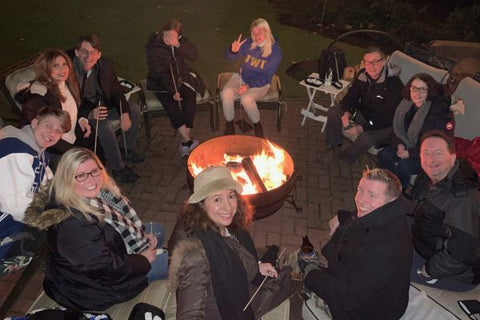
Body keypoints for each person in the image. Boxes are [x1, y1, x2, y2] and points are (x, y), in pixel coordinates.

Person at [24, 148, 167, 310]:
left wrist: (141, 235)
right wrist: (143, 259)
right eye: (81, 175)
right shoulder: (74, 225)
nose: (91, 180)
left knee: (157, 229)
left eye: (94, 171)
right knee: (169, 260)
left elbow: (120, 222)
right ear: (66, 179)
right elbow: (104, 267)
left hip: (105, 253)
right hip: (95, 289)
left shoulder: (96, 194)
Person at [168, 166, 291, 320]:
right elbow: (189, 313)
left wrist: (257, 265)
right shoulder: (195, 254)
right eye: (217, 199)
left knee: (273, 262)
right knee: (288, 278)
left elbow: (233, 252)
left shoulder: (222, 226)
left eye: (231, 196)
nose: (228, 207)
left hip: (237, 287)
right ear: (201, 204)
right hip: (227, 309)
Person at [298, 168, 413, 319]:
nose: (361, 200)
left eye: (372, 195)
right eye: (360, 190)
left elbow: (346, 296)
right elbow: (364, 216)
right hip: (363, 289)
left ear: (390, 201)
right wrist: (342, 216)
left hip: (369, 312)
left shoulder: (383, 248)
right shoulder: (389, 215)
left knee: (304, 267)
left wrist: (310, 272)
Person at [0, 107, 70, 274]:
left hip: (16, 219)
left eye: (58, 131)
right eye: (48, 125)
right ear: (34, 123)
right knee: (65, 226)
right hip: (6, 226)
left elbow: (49, 186)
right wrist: (53, 219)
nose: (52, 133)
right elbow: (16, 206)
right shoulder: (15, 150)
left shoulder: (37, 153)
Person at [410, 130, 480, 291]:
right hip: (427, 240)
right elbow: (416, 205)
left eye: (438, 153)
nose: (430, 159)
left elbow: (463, 253)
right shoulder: (428, 178)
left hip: (457, 272)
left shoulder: (462, 199)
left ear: (453, 157)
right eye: (425, 153)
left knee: (391, 270)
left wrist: (431, 269)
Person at [69, 34, 144, 183]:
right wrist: (90, 113)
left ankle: (125, 149)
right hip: (82, 114)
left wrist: (124, 112)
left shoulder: (104, 65)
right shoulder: (70, 72)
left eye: (93, 52)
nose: (88, 56)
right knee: (104, 126)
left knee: (133, 109)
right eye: (84, 51)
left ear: (99, 54)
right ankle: (119, 169)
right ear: (77, 52)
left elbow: (116, 89)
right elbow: (71, 103)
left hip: (103, 106)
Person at [15, 49, 100, 168]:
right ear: (46, 70)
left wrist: (82, 119)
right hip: (50, 147)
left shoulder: (68, 84)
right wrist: (73, 151)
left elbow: (78, 106)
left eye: (64, 64)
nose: (62, 69)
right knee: (81, 165)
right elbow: (44, 134)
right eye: (55, 66)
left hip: (71, 136)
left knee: (96, 148)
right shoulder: (40, 96)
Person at [325, 47, 404, 164]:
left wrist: (363, 127)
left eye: (374, 62)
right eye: (367, 63)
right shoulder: (363, 75)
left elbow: (388, 117)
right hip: (364, 113)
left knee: (367, 137)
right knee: (334, 111)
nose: (370, 67)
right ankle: (333, 147)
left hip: (384, 125)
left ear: (383, 61)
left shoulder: (394, 85)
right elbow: (351, 97)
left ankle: (346, 158)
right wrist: (347, 112)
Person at [378, 73, 454, 189]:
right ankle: (389, 185)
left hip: (427, 154)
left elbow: (438, 143)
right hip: (407, 146)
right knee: (384, 155)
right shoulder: (406, 104)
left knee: (404, 166)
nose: (417, 93)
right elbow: (398, 129)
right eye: (414, 88)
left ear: (430, 91)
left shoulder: (437, 112)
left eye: (422, 89)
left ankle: (400, 192)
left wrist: (411, 153)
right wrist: (399, 144)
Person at [145, 19, 206, 158]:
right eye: (165, 35)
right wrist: (173, 91)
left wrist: (178, 44)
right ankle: (189, 142)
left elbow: (194, 56)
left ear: (178, 35)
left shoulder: (179, 41)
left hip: (179, 77)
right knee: (172, 105)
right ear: (162, 32)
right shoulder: (154, 46)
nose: (167, 39)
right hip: (160, 82)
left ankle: (186, 144)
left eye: (172, 36)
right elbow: (158, 71)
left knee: (190, 97)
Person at [221, 18, 282, 138]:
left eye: (260, 32)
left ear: (267, 32)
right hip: (241, 77)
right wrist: (233, 51)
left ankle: (257, 124)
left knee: (246, 99)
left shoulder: (275, 52)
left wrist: (248, 86)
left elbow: (266, 77)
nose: (256, 36)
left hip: (260, 84)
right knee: (226, 93)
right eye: (254, 33)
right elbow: (227, 57)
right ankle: (229, 124)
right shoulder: (248, 43)